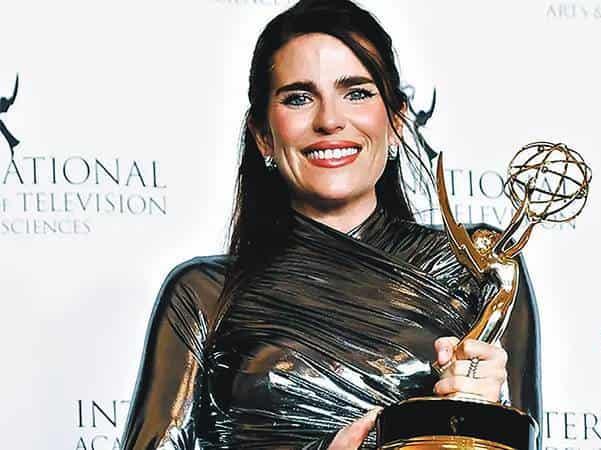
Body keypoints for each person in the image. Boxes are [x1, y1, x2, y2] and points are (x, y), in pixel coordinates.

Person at [121, 0, 541, 448]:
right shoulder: (203, 293)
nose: (329, 120)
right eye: (299, 98)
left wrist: (483, 418)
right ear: (263, 135)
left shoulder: (478, 270)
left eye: (357, 93)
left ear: (397, 122)